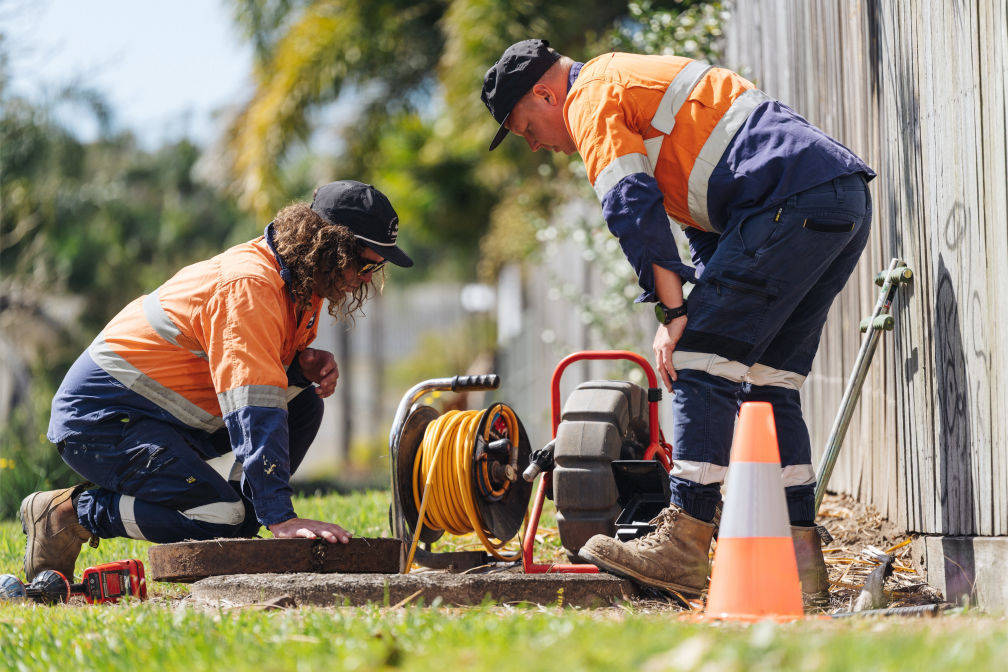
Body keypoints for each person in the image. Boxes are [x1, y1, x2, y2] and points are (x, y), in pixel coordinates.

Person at [482, 40, 874, 597]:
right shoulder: (628, 81)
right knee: (766, 382)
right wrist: (694, 307)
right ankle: (800, 562)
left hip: (790, 201)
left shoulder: (589, 95)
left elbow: (630, 204)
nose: (538, 146)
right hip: (835, 200)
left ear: (546, 93)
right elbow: (703, 224)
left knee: (697, 360)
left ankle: (684, 543)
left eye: (526, 128)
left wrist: (675, 314)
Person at [20, 180, 414, 582]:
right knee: (222, 520)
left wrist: (298, 369)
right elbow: (254, 407)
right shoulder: (251, 286)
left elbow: (252, 379)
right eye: (365, 264)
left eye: (376, 268)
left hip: (155, 417)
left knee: (302, 405)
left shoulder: (298, 287)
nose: (367, 279)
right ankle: (71, 514)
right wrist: (281, 518)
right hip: (100, 421)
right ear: (329, 247)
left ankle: (241, 517)